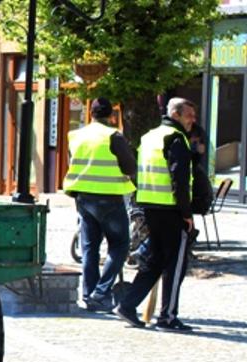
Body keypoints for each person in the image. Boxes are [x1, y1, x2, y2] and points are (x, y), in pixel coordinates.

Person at [114, 97, 198, 331]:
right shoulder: (176, 138)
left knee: (154, 261)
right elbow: (179, 179)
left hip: (150, 206)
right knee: (175, 265)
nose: (193, 119)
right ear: (176, 114)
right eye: (189, 115)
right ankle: (167, 317)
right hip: (171, 209)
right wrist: (186, 213)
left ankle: (127, 305)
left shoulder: (150, 136)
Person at [62, 98, 137, 313]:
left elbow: (72, 162)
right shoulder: (113, 136)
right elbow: (129, 167)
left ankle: (89, 295)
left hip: (84, 197)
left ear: (91, 114)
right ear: (111, 116)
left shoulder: (76, 136)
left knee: (89, 248)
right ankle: (101, 292)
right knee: (120, 246)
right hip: (110, 197)